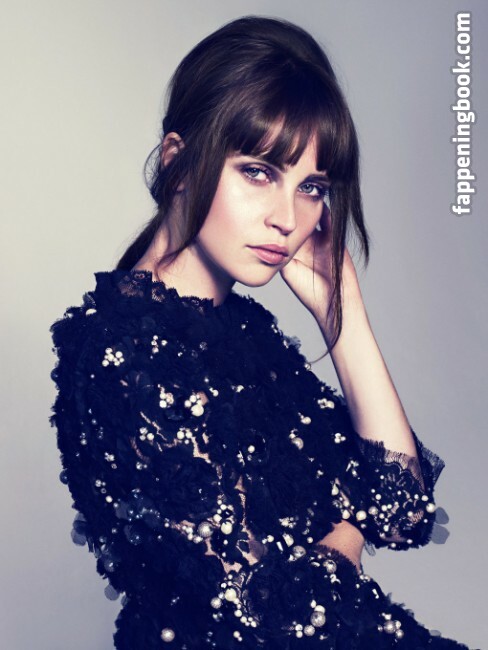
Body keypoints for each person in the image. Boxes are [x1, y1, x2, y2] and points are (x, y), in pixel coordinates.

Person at [49, 15, 474, 650]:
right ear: (178, 162)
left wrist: (343, 316)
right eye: (258, 172)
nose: (288, 218)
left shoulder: (244, 333)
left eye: (311, 188)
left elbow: (402, 508)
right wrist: (347, 537)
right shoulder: (122, 351)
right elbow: (262, 617)